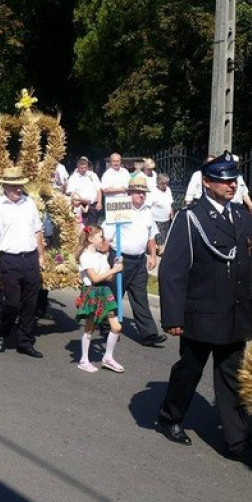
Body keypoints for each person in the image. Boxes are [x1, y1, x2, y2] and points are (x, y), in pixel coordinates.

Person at [154, 152, 252, 469]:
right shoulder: (191, 218)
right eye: (224, 179)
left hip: (233, 315)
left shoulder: (243, 218)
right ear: (206, 182)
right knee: (189, 370)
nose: (231, 185)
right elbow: (172, 271)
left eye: (234, 180)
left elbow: (245, 268)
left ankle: (237, 440)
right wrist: (173, 317)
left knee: (231, 379)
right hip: (201, 314)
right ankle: (170, 415)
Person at [0, 167, 44, 358]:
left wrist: (41, 255)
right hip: (9, 259)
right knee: (13, 304)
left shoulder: (29, 203)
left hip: (30, 258)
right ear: (6, 186)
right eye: (15, 186)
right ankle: (2, 331)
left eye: (21, 186)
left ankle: (24, 341)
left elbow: (38, 231)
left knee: (30, 303)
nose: (19, 190)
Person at [102, 174, 164, 347]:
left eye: (143, 193)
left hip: (138, 261)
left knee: (140, 296)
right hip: (120, 259)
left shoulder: (146, 211)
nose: (141, 196)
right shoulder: (120, 208)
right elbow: (106, 236)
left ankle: (148, 333)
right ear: (130, 192)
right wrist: (103, 255)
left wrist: (152, 255)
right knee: (113, 294)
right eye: (138, 192)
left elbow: (151, 236)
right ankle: (108, 327)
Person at [75, 226, 126, 372]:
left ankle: (108, 357)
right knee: (90, 328)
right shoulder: (85, 256)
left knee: (116, 327)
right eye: (100, 237)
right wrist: (114, 270)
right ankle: (84, 359)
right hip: (93, 292)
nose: (103, 240)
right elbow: (95, 278)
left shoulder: (100, 255)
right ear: (91, 239)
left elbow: (108, 277)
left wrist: (116, 267)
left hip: (105, 291)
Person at [66, 156, 102, 226]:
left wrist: (99, 202)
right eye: (81, 168)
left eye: (85, 168)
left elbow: (99, 189)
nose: (83, 170)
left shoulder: (92, 175)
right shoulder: (73, 177)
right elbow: (71, 193)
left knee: (93, 228)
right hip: (80, 206)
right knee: (82, 228)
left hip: (93, 205)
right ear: (78, 167)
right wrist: (82, 200)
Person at [148, 173, 174, 250]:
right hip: (156, 219)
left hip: (166, 218)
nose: (165, 185)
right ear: (158, 182)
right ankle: (159, 251)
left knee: (165, 235)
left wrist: (171, 212)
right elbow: (148, 206)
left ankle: (160, 249)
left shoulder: (168, 189)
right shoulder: (153, 191)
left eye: (166, 183)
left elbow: (170, 202)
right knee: (158, 236)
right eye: (163, 183)